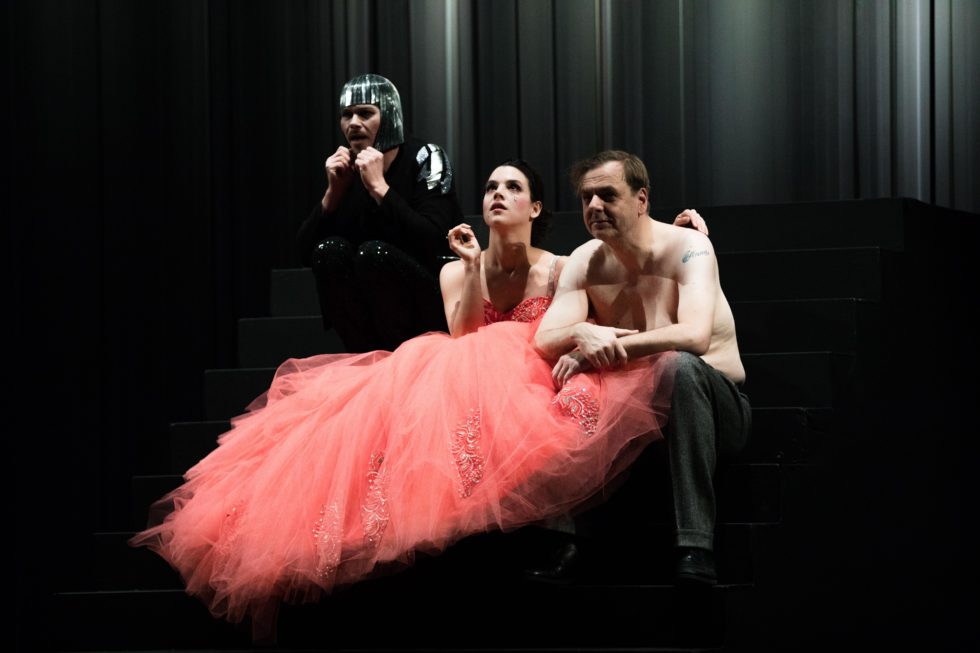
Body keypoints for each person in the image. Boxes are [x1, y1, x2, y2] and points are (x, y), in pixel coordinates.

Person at [130, 160, 677, 640]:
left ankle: (549, 536)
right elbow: (466, 336)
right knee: (423, 394)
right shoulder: (453, 267)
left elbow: (590, 311)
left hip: (531, 368)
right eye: (491, 186)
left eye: (512, 187)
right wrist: (470, 267)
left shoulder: (560, 267)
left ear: (535, 208)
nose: (498, 194)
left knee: (551, 404)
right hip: (471, 365)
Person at [533, 150, 751, 585]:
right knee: (565, 380)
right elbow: (545, 339)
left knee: (679, 366)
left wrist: (601, 343)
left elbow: (694, 337)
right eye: (587, 198)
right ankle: (565, 540)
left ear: (642, 200)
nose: (595, 206)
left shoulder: (689, 248)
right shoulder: (584, 261)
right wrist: (580, 330)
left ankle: (695, 546)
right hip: (639, 409)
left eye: (607, 195)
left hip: (713, 407)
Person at [297, 73, 464, 352]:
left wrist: (380, 189)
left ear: (389, 115)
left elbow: (435, 239)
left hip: (429, 294)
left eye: (365, 113)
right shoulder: (344, 169)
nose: (353, 123)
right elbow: (304, 254)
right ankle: (364, 355)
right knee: (329, 251)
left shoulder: (426, 155)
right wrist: (332, 195)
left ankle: (398, 356)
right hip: (369, 312)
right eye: (346, 115)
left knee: (374, 254)